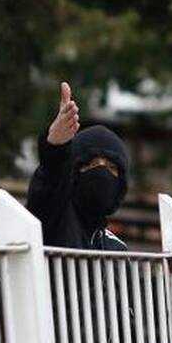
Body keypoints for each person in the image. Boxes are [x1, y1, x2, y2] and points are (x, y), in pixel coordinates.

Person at [28, 82, 130, 251]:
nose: (101, 172)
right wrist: (55, 149)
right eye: (91, 164)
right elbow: (49, 186)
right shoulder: (54, 221)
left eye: (112, 167)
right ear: (73, 173)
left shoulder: (117, 250)